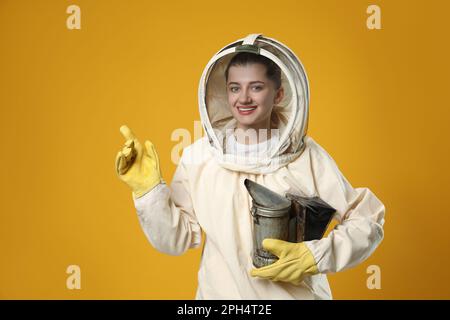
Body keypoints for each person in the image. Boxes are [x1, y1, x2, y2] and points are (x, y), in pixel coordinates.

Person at [115, 34, 385, 299]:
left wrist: (315, 256)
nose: (243, 98)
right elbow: (176, 240)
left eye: (256, 87)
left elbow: (366, 220)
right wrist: (149, 192)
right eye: (235, 88)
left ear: (278, 93)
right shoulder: (198, 157)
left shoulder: (305, 156)